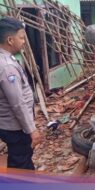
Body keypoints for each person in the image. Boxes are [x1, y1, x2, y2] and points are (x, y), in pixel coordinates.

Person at [0, 17, 41, 170]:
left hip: (8, 123)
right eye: (22, 37)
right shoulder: (7, 67)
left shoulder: (5, 59)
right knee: (22, 163)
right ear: (10, 40)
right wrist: (32, 130)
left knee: (18, 159)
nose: (24, 41)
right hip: (15, 127)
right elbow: (17, 103)